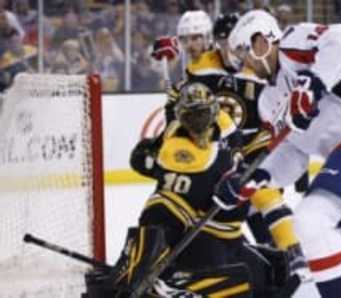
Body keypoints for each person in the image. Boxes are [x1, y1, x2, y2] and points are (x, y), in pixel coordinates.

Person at [214, 10, 341, 298]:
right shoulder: (267, 101)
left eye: (242, 51)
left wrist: (313, 83)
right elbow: (292, 155)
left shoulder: (292, 44)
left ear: (261, 41)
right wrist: (258, 176)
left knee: (311, 220)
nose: (240, 62)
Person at [84, 83, 296, 298]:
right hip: (201, 236)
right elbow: (149, 165)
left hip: (229, 236)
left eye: (203, 114)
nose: (198, 122)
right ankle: (145, 276)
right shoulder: (177, 145)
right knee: (238, 283)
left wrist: (256, 147)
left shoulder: (226, 131)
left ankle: (159, 281)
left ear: (214, 111)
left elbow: (243, 157)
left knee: (273, 274)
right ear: (181, 117)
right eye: (192, 116)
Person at [150, 13, 310, 263]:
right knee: (209, 209)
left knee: (263, 196)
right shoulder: (201, 66)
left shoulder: (258, 67)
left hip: (253, 147)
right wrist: (174, 99)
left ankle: (291, 253)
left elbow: (283, 108)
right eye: (224, 44)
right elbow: (184, 105)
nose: (230, 51)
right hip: (217, 151)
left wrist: (299, 159)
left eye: (235, 46)